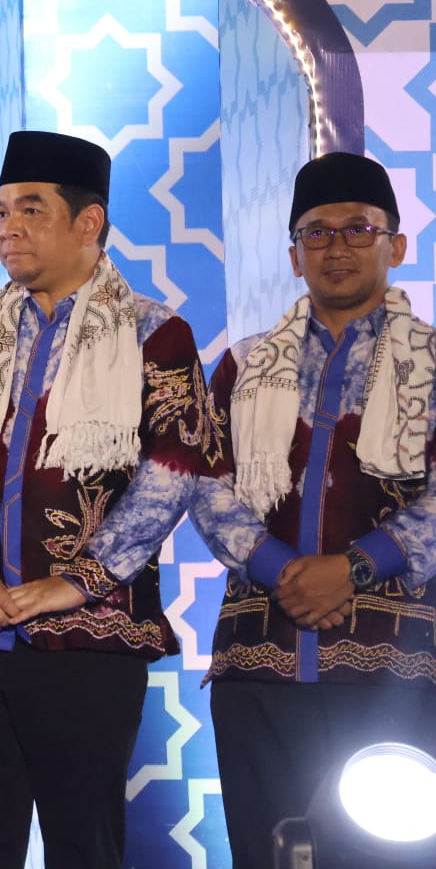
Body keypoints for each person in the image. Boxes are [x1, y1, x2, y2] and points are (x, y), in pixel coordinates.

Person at [0, 131, 214, 869]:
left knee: (84, 849)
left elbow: (174, 470)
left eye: (31, 210)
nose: (9, 227)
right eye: (2, 211)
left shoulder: (155, 333)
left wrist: (78, 581)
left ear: (88, 222)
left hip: (87, 641)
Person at [188, 152, 436, 869]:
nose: (338, 247)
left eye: (358, 228)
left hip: (394, 675)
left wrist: (352, 568)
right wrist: (283, 569)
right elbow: (203, 483)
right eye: (317, 233)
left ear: (396, 245)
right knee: (268, 853)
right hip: (259, 670)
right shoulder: (243, 367)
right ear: (295, 256)